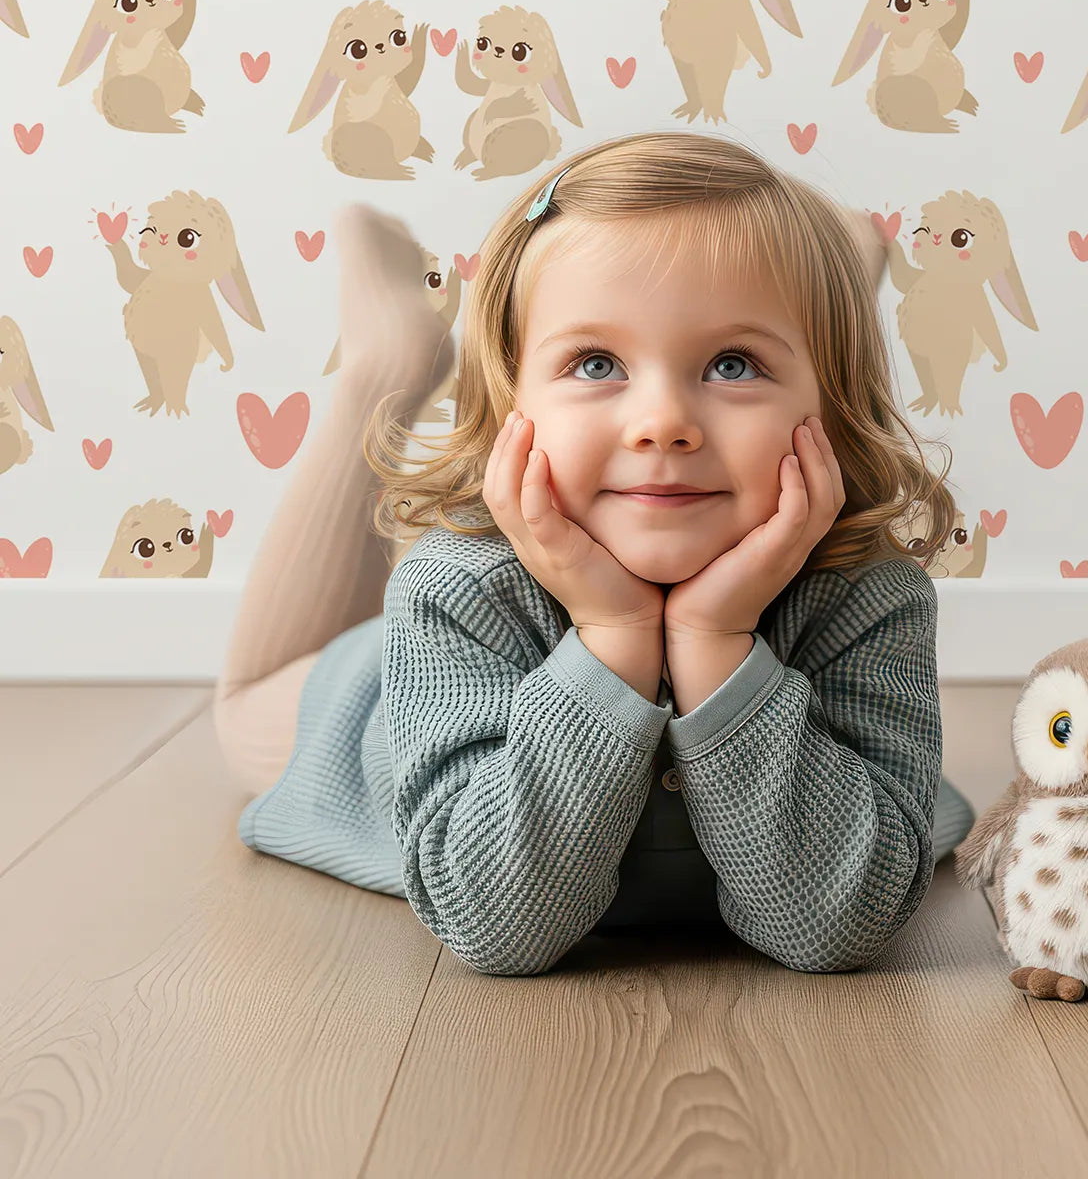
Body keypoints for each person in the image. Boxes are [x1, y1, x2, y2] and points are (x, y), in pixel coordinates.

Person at [214, 129, 976, 976]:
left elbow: (840, 924)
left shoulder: (868, 596)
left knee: (788, 312)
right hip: (377, 710)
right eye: (596, 362)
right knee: (245, 705)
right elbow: (495, 927)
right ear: (513, 402)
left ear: (829, 412)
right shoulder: (455, 589)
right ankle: (388, 361)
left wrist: (716, 645)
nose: (663, 423)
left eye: (732, 363)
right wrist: (612, 632)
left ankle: (818, 303)